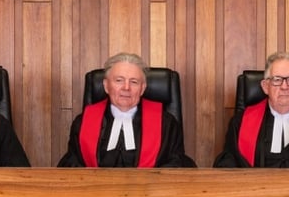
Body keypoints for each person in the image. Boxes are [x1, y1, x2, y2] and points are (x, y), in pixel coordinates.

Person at [57, 52, 196, 167]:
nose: (126, 87)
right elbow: (72, 164)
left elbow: (176, 164)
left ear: (142, 88)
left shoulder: (166, 124)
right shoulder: (83, 122)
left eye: (134, 82)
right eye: (119, 80)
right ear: (106, 86)